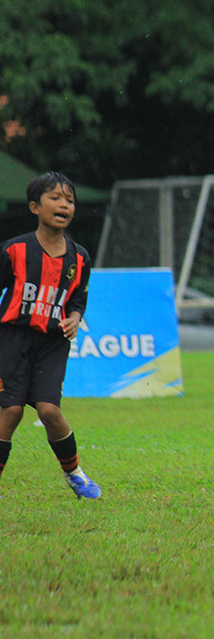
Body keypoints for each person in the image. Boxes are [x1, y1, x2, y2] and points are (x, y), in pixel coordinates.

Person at [0, 172, 101, 499]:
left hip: (53, 344)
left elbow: (77, 298)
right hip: (13, 339)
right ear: (34, 206)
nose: (64, 204)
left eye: (69, 200)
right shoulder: (14, 250)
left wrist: (74, 317)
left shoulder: (80, 257)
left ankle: (74, 473)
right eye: (55, 198)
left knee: (49, 411)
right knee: (11, 411)